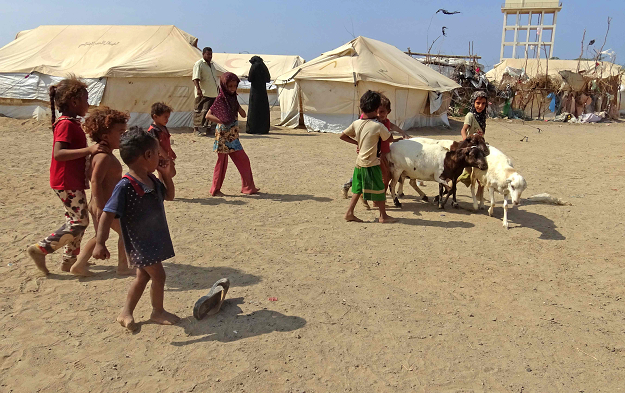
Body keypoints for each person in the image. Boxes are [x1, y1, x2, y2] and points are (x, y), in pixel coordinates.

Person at [93, 127, 179, 331]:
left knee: (143, 276)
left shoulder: (152, 179)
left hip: (154, 238)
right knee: (159, 276)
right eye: (157, 154)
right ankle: (157, 311)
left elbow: (169, 196)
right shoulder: (126, 186)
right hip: (141, 243)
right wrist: (99, 242)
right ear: (148, 155)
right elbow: (107, 213)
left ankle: (125, 312)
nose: (160, 157)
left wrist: (166, 175)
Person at [27, 77, 105, 275]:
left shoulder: (72, 122)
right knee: (80, 222)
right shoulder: (66, 125)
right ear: (74, 102)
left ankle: (69, 261)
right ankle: (41, 249)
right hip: (65, 181)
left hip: (71, 180)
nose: (88, 104)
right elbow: (59, 154)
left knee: (78, 219)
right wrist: (89, 150)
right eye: (86, 100)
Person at [70, 107, 134, 277]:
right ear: (105, 136)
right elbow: (95, 181)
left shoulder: (104, 155)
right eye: (120, 132)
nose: (124, 136)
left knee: (100, 236)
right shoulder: (104, 157)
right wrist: (101, 206)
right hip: (105, 205)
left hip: (103, 203)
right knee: (124, 232)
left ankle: (80, 264)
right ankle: (123, 266)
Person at [341, 90, 396, 223]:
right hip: (372, 163)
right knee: (379, 188)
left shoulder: (356, 123)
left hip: (359, 162)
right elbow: (389, 139)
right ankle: (383, 216)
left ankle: (349, 212)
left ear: (361, 107)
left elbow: (343, 136)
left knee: (358, 188)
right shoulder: (378, 126)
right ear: (377, 108)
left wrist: (358, 142)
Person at [341, 94, 409, 198]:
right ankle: (373, 197)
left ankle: (374, 196)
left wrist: (402, 132)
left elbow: (391, 126)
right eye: (377, 111)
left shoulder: (385, 122)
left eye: (382, 112)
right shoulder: (373, 123)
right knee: (373, 175)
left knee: (379, 175)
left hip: (384, 153)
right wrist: (358, 143)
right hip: (375, 154)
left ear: (388, 112)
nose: (378, 114)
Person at [205, 72, 260, 196]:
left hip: (233, 135)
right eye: (229, 86)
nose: (232, 89)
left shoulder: (233, 98)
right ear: (224, 86)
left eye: (234, 86)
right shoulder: (220, 99)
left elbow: (243, 114)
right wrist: (222, 120)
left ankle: (248, 187)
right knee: (222, 163)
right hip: (223, 135)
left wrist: (238, 106)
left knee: (244, 161)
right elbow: (208, 115)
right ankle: (215, 190)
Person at [458, 91, 488, 186]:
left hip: (480, 145)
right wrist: (465, 141)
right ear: (473, 102)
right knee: (471, 172)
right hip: (471, 146)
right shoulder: (470, 116)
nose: (480, 106)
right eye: (478, 103)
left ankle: (479, 194)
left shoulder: (483, 116)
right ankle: (450, 185)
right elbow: (463, 130)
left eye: (483, 103)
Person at [192, 47, 220, 137]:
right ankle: (196, 129)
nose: (210, 56)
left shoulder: (212, 65)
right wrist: (198, 89)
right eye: (208, 54)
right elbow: (195, 78)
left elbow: (214, 78)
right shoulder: (199, 64)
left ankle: (209, 129)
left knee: (211, 112)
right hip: (203, 93)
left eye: (211, 54)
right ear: (203, 54)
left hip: (213, 93)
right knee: (200, 111)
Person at [147, 102, 177, 179]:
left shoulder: (163, 127)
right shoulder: (153, 130)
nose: (167, 120)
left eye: (168, 117)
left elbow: (166, 142)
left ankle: (163, 188)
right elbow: (157, 146)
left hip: (165, 156)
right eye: (165, 117)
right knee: (164, 174)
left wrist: (171, 152)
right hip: (159, 157)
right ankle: (162, 188)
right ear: (155, 117)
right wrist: (167, 158)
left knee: (169, 174)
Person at [245, 56, 271, 134]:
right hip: (263, 92)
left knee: (254, 110)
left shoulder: (254, 66)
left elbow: (250, 78)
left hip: (255, 91)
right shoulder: (264, 66)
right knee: (263, 111)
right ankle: (263, 129)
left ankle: (253, 128)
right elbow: (268, 79)